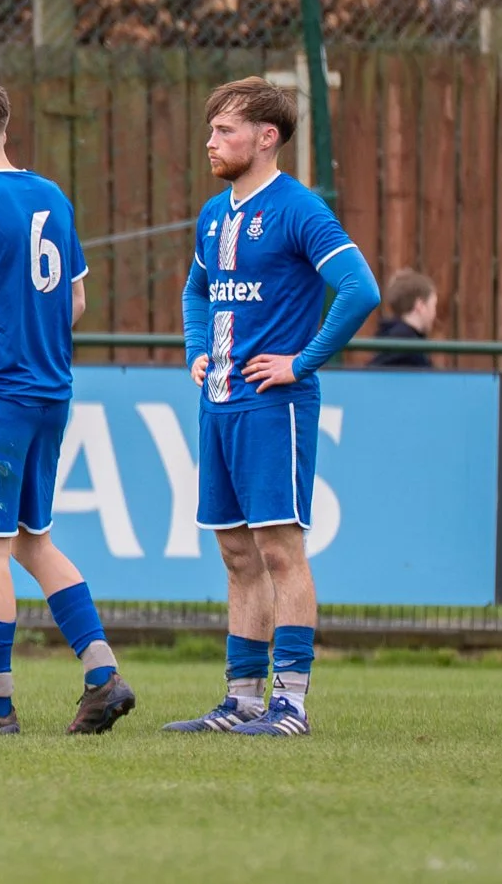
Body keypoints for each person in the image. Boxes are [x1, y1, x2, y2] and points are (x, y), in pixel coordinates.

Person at [0, 80, 136, 737]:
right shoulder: (51, 197)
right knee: (30, 540)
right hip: (49, 390)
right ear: (3, 130)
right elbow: (74, 305)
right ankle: (103, 674)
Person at [165, 77, 380, 738]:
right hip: (221, 402)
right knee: (236, 553)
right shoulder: (214, 213)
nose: (210, 141)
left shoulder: (298, 208)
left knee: (281, 550)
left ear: (267, 137)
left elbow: (359, 288)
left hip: (273, 406)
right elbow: (196, 290)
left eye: (224, 130)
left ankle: (290, 703)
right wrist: (199, 347)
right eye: (210, 129)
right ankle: (242, 700)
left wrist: (300, 361)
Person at [368, 269, 438, 368]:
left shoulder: (387, 338)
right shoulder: (408, 347)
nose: (434, 313)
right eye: (433, 306)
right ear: (420, 306)